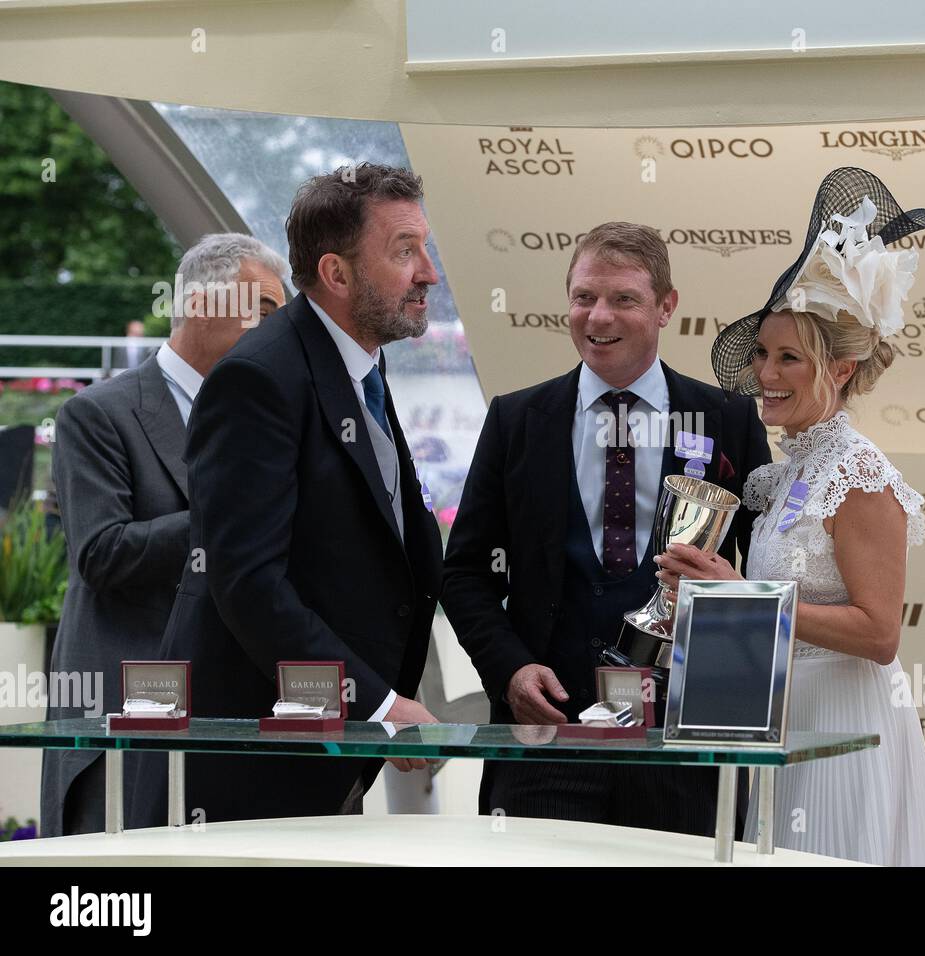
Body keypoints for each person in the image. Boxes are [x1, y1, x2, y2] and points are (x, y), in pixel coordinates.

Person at [130, 163, 444, 827]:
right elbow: (246, 582)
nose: (429, 274)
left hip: (317, 754)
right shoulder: (259, 378)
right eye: (405, 251)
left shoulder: (360, 366)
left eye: (426, 248)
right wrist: (380, 707)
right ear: (335, 274)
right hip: (249, 769)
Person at [442, 221, 771, 836]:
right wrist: (510, 669)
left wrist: (728, 597)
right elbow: (463, 573)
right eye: (583, 297)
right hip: (544, 734)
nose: (598, 317)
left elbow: (769, 569)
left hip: (682, 744)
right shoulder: (516, 419)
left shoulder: (728, 417)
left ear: (666, 306)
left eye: (623, 299)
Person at [657, 168, 925, 865]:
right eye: (761, 354)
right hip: (784, 726)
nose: (766, 373)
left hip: (846, 727)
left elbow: (879, 634)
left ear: (841, 369)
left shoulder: (859, 474)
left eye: (790, 357)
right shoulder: (781, 477)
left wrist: (741, 601)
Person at [42, 233, 288, 836]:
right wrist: (231, 513)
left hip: (240, 727)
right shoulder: (96, 414)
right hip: (125, 727)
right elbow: (100, 554)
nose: (273, 329)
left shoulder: (275, 418)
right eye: (262, 308)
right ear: (200, 304)